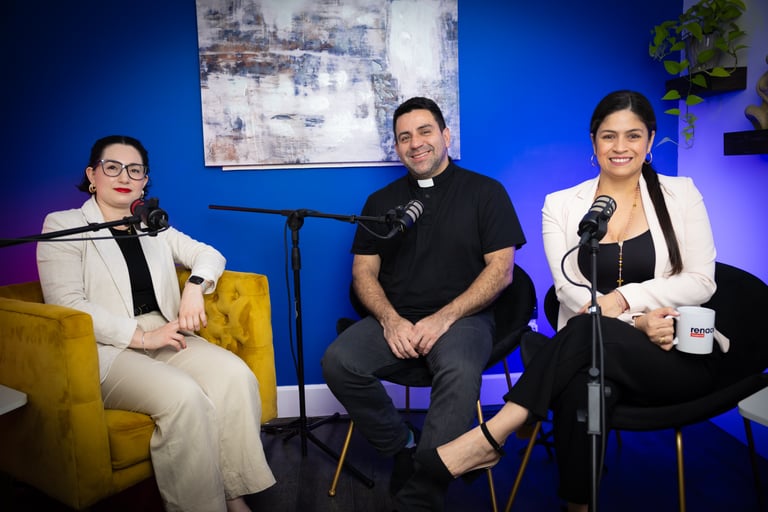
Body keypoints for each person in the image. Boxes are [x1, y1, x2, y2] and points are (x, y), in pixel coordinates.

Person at [412, 90, 729, 511]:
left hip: (673, 351)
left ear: (650, 141)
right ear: (593, 141)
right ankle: (577, 505)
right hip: (598, 346)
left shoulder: (681, 194)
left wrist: (623, 300)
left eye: (633, 136)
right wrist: (635, 322)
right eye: (608, 136)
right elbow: (568, 291)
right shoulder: (560, 206)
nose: (620, 147)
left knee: (584, 334)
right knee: (582, 382)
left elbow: (702, 281)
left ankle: (496, 431)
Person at [36, 135, 275, 512]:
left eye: (135, 169)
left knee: (235, 376)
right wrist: (141, 338)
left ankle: (234, 492)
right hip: (104, 347)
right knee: (184, 398)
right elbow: (67, 303)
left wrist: (195, 287)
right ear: (92, 175)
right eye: (112, 167)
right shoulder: (63, 224)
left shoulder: (153, 225)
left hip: (164, 331)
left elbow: (209, 254)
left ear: (144, 180)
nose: (123, 176)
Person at [321, 96, 526, 511]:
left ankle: (423, 488)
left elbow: (502, 270)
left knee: (459, 369)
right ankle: (404, 446)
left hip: (463, 318)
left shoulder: (487, 192)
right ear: (396, 148)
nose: (415, 143)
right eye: (404, 137)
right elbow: (363, 272)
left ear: (446, 136)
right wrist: (391, 321)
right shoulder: (380, 202)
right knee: (338, 361)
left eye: (425, 131)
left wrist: (444, 317)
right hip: (396, 318)